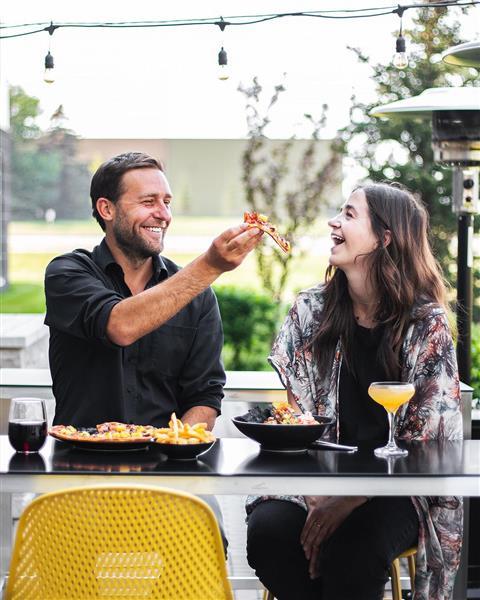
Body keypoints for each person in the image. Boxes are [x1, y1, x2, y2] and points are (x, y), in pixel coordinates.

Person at [246, 182, 463, 600]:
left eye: (348, 214)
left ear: (384, 237)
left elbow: (425, 444)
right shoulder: (309, 311)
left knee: (355, 551)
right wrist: (317, 498)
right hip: (312, 479)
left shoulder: (425, 325)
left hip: (396, 488)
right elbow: (297, 424)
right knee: (270, 535)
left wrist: (346, 501)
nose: (333, 221)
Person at [44, 151, 263, 552]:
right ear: (106, 209)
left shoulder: (196, 296)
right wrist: (210, 266)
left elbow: (205, 396)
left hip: (170, 475)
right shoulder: (67, 273)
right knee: (60, 572)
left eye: (167, 202)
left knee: (205, 543)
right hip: (78, 473)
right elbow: (120, 325)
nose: (162, 213)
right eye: (148, 202)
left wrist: (179, 452)